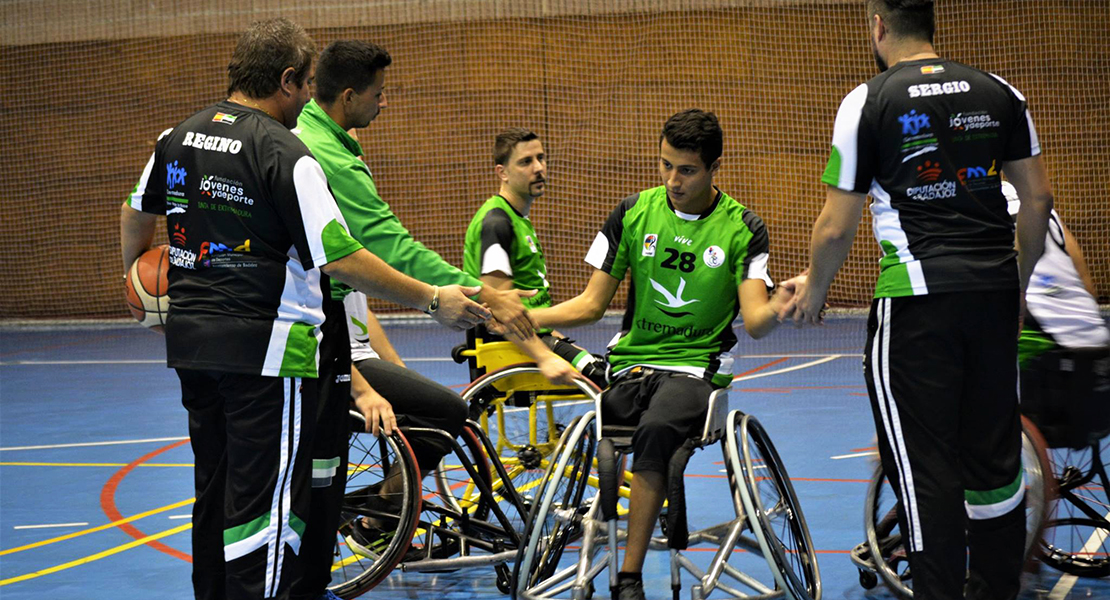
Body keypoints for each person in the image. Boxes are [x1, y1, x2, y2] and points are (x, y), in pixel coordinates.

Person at [118, 19, 488, 600]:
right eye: (306, 83)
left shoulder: (178, 138)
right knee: (265, 506)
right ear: (287, 80)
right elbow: (341, 256)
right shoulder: (287, 153)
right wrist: (432, 298)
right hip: (271, 353)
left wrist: (135, 272)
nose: (306, 98)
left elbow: (137, 211)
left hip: (192, 345)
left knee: (215, 490)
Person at [785, 2, 1054, 598]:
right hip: (992, 296)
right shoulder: (1001, 91)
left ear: (877, 25)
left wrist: (815, 290)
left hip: (916, 304)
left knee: (923, 469)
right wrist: (1021, 288)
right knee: (994, 462)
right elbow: (1037, 201)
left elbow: (836, 224)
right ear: (931, 23)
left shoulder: (867, 100)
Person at [289, 40, 534, 598]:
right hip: (318, 347)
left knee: (425, 409)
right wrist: (451, 292)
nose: (385, 103)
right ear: (348, 96)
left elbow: (351, 292)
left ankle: (373, 513)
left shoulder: (324, 135)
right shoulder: (323, 156)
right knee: (448, 412)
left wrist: (383, 360)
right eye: (378, 94)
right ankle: (377, 515)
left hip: (341, 339)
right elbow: (382, 243)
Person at [529, 109, 795, 600]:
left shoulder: (743, 228)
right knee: (592, 424)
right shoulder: (631, 212)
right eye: (665, 165)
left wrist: (783, 303)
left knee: (654, 431)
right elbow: (591, 305)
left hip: (697, 370)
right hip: (631, 365)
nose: (673, 179)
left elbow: (755, 321)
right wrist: (528, 317)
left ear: (715, 166)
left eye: (687, 170)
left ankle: (627, 579)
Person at [463, 127, 608, 388]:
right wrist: (545, 357)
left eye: (541, 158)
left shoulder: (517, 219)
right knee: (605, 381)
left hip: (533, 337)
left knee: (610, 370)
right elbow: (500, 310)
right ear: (502, 173)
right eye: (526, 162)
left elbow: (530, 309)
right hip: (509, 348)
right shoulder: (497, 223)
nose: (539, 167)